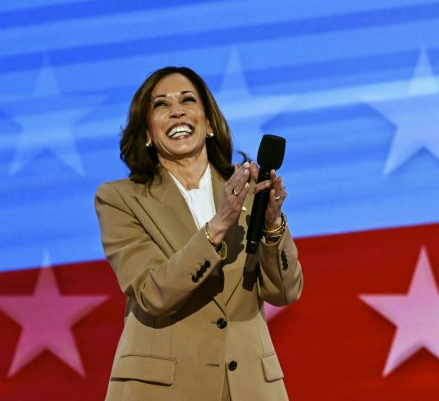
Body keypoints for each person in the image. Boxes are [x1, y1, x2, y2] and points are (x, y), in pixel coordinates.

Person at [95, 66, 303, 400]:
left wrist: (273, 226)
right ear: (147, 132)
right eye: (161, 105)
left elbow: (285, 292)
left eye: (187, 100)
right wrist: (219, 224)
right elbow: (152, 293)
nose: (176, 109)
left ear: (207, 123)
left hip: (249, 387)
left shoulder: (250, 190)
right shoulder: (120, 198)